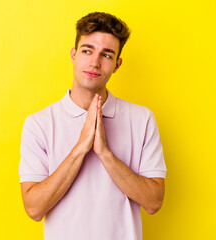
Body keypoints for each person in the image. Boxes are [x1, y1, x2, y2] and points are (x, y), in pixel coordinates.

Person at [19, 12, 166, 240]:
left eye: (106, 55)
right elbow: (34, 209)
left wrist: (105, 153)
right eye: (87, 50)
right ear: (73, 55)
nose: (95, 62)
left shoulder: (142, 119)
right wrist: (80, 148)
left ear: (117, 65)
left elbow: (154, 202)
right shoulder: (39, 124)